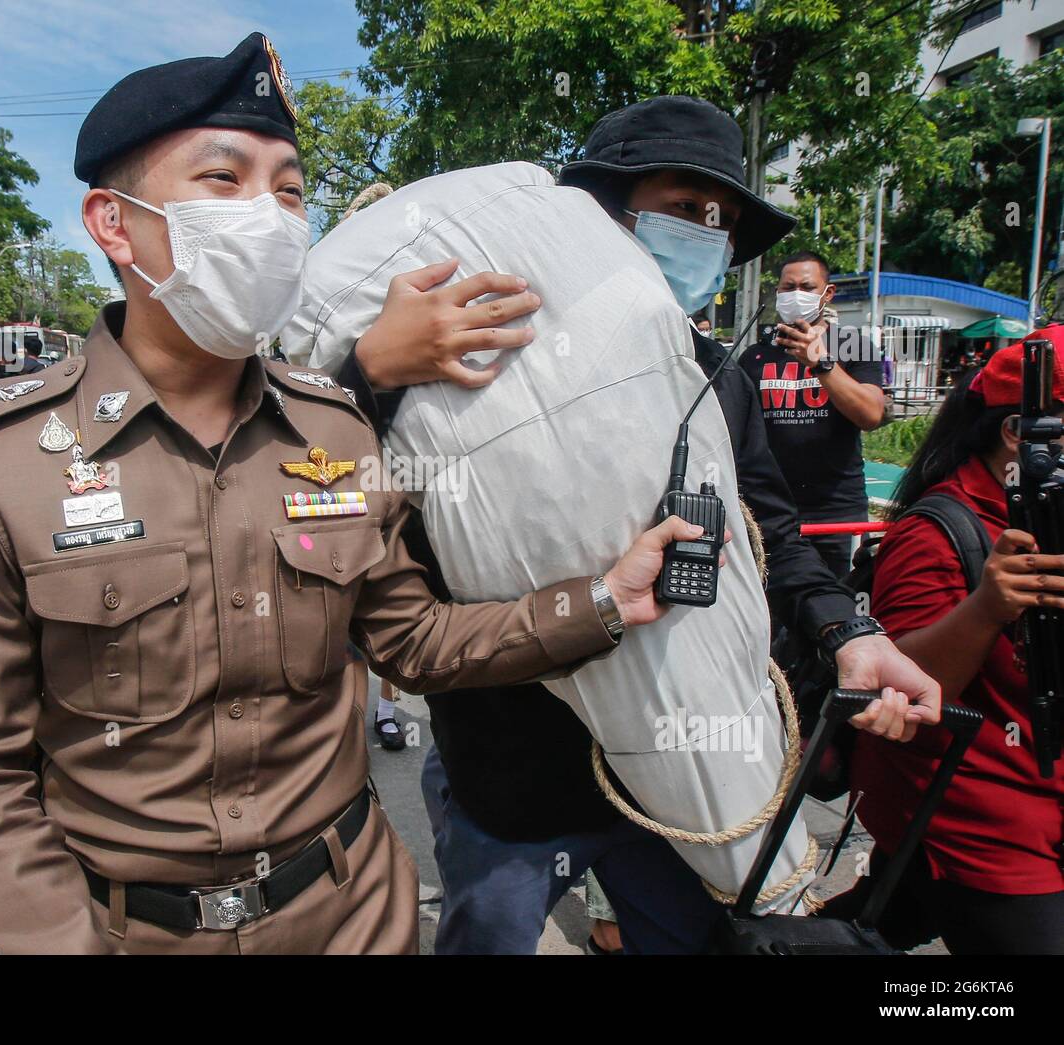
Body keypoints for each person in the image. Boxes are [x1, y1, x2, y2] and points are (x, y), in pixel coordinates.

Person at [0, 34, 703, 956]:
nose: (270, 217)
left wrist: (602, 601)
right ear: (113, 222)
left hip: (357, 914)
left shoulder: (335, 429)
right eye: (223, 179)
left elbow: (414, 639)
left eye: (288, 189)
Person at [340, 95, 940, 954]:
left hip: (676, 780)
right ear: (599, 214)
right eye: (682, 207)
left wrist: (848, 630)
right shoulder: (470, 361)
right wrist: (372, 377)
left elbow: (771, 536)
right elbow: (354, 491)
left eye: (721, 219)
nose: (705, 232)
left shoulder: (715, 380)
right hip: (510, 770)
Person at [824, 343, 1064, 954]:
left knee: (882, 918)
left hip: (1042, 798)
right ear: (1020, 434)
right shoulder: (938, 533)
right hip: (983, 822)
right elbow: (901, 691)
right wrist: (986, 607)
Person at [738, 252, 887, 577]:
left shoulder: (852, 346)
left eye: (806, 287)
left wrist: (820, 363)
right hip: (771, 510)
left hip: (837, 512)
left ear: (827, 293)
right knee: (772, 613)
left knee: (838, 606)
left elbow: (871, 414)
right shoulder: (756, 355)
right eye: (788, 287)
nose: (795, 295)